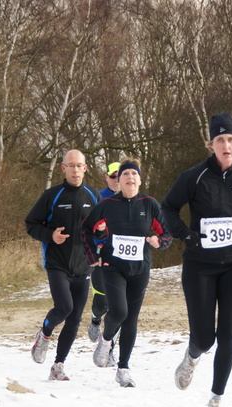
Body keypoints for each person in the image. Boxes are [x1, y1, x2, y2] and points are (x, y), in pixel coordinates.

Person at [161, 113, 232, 407]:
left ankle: (216, 400)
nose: (226, 145)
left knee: (228, 335)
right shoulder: (193, 177)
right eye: (220, 140)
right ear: (211, 145)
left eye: (231, 139)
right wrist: (184, 235)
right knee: (205, 337)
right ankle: (192, 356)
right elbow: (168, 207)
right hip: (199, 266)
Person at [82, 158, 172, 388]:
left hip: (140, 269)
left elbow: (167, 235)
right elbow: (86, 230)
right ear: (119, 181)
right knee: (119, 311)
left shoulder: (150, 204)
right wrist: (93, 257)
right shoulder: (108, 204)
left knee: (131, 319)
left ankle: (123, 368)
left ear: (140, 180)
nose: (130, 177)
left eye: (134, 174)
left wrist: (158, 241)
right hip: (113, 267)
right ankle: (106, 339)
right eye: (125, 174)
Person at [25, 149, 101, 381]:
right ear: (63, 168)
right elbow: (31, 223)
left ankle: (58, 366)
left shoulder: (94, 196)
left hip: (84, 265)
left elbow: (104, 227)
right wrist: (50, 236)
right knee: (64, 308)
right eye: (71, 166)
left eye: (79, 166)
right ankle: (45, 333)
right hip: (57, 263)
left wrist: (102, 234)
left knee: (76, 317)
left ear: (85, 168)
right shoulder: (52, 196)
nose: (75, 170)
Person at [87, 161, 121, 343]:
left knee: (120, 306)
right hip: (101, 256)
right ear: (106, 177)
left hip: (123, 258)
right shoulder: (98, 198)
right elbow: (87, 228)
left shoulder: (133, 199)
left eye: (120, 175)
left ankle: (110, 345)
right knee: (101, 303)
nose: (117, 179)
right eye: (113, 176)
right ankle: (95, 319)